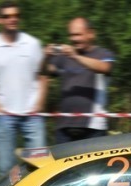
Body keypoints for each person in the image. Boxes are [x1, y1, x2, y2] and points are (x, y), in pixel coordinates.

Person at [0, 0, 46, 173]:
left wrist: (39, 102)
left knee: (40, 166)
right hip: (6, 116)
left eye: (16, 15)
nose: (12, 19)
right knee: (6, 169)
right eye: (7, 16)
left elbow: (43, 75)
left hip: (32, 115)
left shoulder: (32, 43)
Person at [45, 17, 115, 145]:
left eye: (78, 35)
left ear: (91, 33)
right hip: (64, 126)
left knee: (94, 159)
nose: (74, 39)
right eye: (71, 35)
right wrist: (45, 57)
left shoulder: (103, 54)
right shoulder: (63, 57)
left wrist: (75, 56)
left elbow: (105, 67)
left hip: (93, 127)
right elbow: (45, 71)